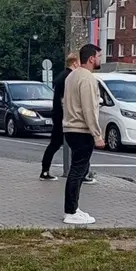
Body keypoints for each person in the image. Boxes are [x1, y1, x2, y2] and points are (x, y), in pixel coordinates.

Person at [61, 43, 104, 225]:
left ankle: (74, 208)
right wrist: (97, 134)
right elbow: (89, 108)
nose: (100, 60)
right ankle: (70, 211)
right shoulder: (87, 78)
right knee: (78, 169)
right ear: (91, 58)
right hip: (81, 129)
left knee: (80, 168)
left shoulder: (72, 76)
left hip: (70, 127)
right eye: (99, 56)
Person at [40, 53, 80, 181]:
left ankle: (45, 170)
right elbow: (65, 99)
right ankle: (79, 173)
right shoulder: (69, 77)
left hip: (58, 115)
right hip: (64, 116)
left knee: (55, 143)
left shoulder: (61, 76)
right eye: (79, 62)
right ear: (74, 63)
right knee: (76, 144)